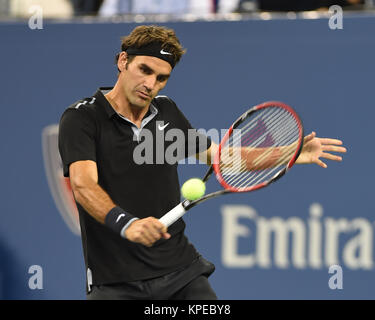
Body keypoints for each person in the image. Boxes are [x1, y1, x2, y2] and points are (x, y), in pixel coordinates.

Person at [58, 25, 346, 300]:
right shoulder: (82, 118)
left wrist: (291, 152)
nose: (150, 84)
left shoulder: (166, 111)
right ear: (123, 61)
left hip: (180, 273)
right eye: (144, 70)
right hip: (115, 281)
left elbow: (224, 158)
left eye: (161, 78)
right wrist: (127, 224)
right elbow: (84, 186)